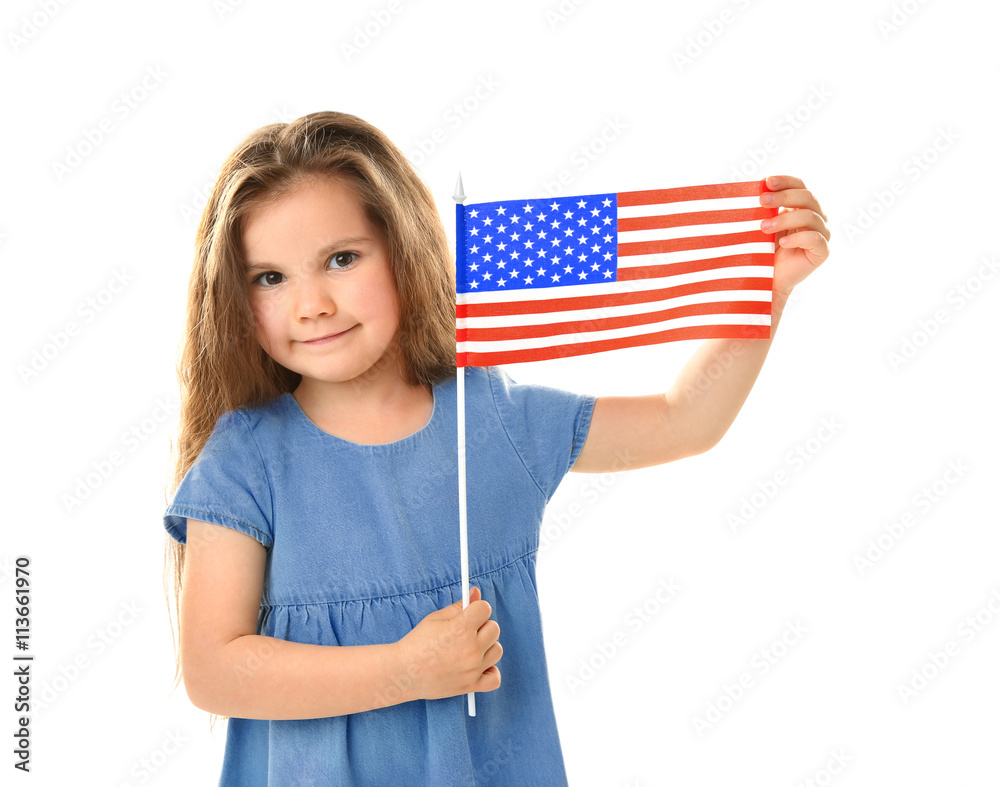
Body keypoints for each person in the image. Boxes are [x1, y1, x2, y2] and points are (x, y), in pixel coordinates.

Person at [162, 110, 829, 785]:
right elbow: (216, 668)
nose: (311, 304)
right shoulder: (246, 459)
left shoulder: (488, 419)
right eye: (270, 277)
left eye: (341, 258)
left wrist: (765, 290)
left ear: (403, 249)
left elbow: (684, 420)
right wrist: (404, 670)